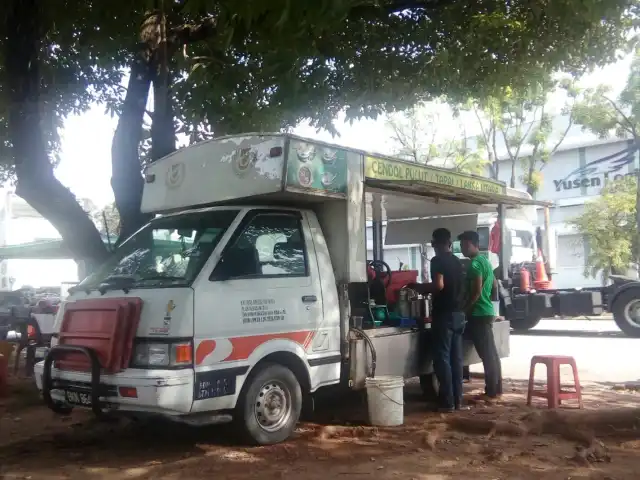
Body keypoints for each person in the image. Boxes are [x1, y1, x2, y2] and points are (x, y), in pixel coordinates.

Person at [409, 228, 466, 412]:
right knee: (456, 359)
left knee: (442, 359)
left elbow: (438, 285)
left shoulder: (438, 260)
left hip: (444, 315)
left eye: (433, 245)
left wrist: (419, 287)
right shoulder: (458, 261)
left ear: (437, 245)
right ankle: (457, 401)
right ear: (449, 243)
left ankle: (446, 402)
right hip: (459, 315)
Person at [458, 230, 503, 402]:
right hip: (487, 311)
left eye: (462, 245)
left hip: (478, 314)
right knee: (491, 353)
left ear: (470, 244)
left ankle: (491, 392)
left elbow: (476, 292)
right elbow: (492, 286)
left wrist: (465, 310)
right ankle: (496, 389)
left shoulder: (475, 264)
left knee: (487, 355)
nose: (462, 249)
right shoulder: (486, 261)